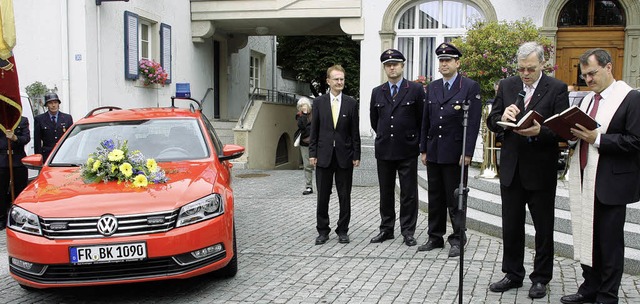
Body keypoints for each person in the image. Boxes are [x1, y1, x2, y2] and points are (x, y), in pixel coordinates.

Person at [486, 41, 569, 299]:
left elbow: (563, 128)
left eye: (530, 69)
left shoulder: (556, 88)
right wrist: (503, 119)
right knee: (511, 226)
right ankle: (512, 273)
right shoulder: (508, 86)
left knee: (543, 229)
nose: (525, 74)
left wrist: (540, 131)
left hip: (541, 169)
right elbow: (492, 121)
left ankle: (541, 278)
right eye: (521, 69)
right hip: (511, 168)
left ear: (542, 64)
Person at [561, 49, 640, 304]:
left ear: (609, 67)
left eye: (593, 73)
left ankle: (607, 295)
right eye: (585, 76)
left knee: (609, 243)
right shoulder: (586, 100)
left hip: (611, 182)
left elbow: (636, 141)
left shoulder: (630, 98)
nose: (589, 79)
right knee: (587, 237)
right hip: (585, 177)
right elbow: (581, 134)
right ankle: (589, 287)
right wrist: (570, 136)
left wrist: (599, 139)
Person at [417, 42, 482, 257]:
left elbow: (472, 122)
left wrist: (468, 152)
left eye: (448, 61)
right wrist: (423, 149)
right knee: (435, 197)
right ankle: (435, 236)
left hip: (456, 152)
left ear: (457, 63)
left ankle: (457, 238)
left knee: (455, 197)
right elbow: (425, 119)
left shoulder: (469, 86)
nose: (444, 64)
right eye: (441, 61)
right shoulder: (433, 87)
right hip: (435, 150)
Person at [369, 49, 424, 247]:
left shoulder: (416, 90)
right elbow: (375, 121)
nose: (392, 67)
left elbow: (421, 118)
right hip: (384, 149)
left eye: (395, 64)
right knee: (386, 192)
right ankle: (386, 229)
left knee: (408, 193)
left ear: (402, 65)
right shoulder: (378, 91)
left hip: (407, 148)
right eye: (388, 64)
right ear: (384, 68)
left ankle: (408, 231)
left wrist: (416, 140)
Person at [309, 64, 361, 245]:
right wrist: (312, 152)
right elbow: (313, 130)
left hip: (344, 156)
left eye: (342, 79)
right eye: (336, 79)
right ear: (328, 81)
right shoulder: (318, 102)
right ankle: (323, 231)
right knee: (322, 196)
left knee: (344, 195)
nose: (339, 82)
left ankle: (343, 230)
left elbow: (355, 132)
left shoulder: (351, 103)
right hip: (323, 156)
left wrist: (357, 155)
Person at [0, 116, 30, 230]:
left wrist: (15, 138)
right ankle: (2, 218)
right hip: (2, 159)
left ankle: (20, 218)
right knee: (1, 191)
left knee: (20, 190)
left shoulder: (22, 120)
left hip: (18, 159)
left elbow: (26, 138)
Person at [34, 92, 73, 161]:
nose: (53, 105)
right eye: (50, 103)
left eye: (55, 102)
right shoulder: (39, 119)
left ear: (58, 104)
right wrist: (38, 159)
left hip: (64, 155)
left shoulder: (67, 118)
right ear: (47, 105)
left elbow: (71, 138)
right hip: (47, 156)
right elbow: (37, 141)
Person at [296, 97, 314, 195]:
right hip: (305, 143)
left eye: (305, 105)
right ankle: (309, 186)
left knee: (320, 165)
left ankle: (324, 186)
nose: (303, 107)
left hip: (316, 143)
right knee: (307, 165)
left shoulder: (315, 113)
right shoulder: (299, 116)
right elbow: (302, 127)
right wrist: (304, 115)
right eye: (301, 106)